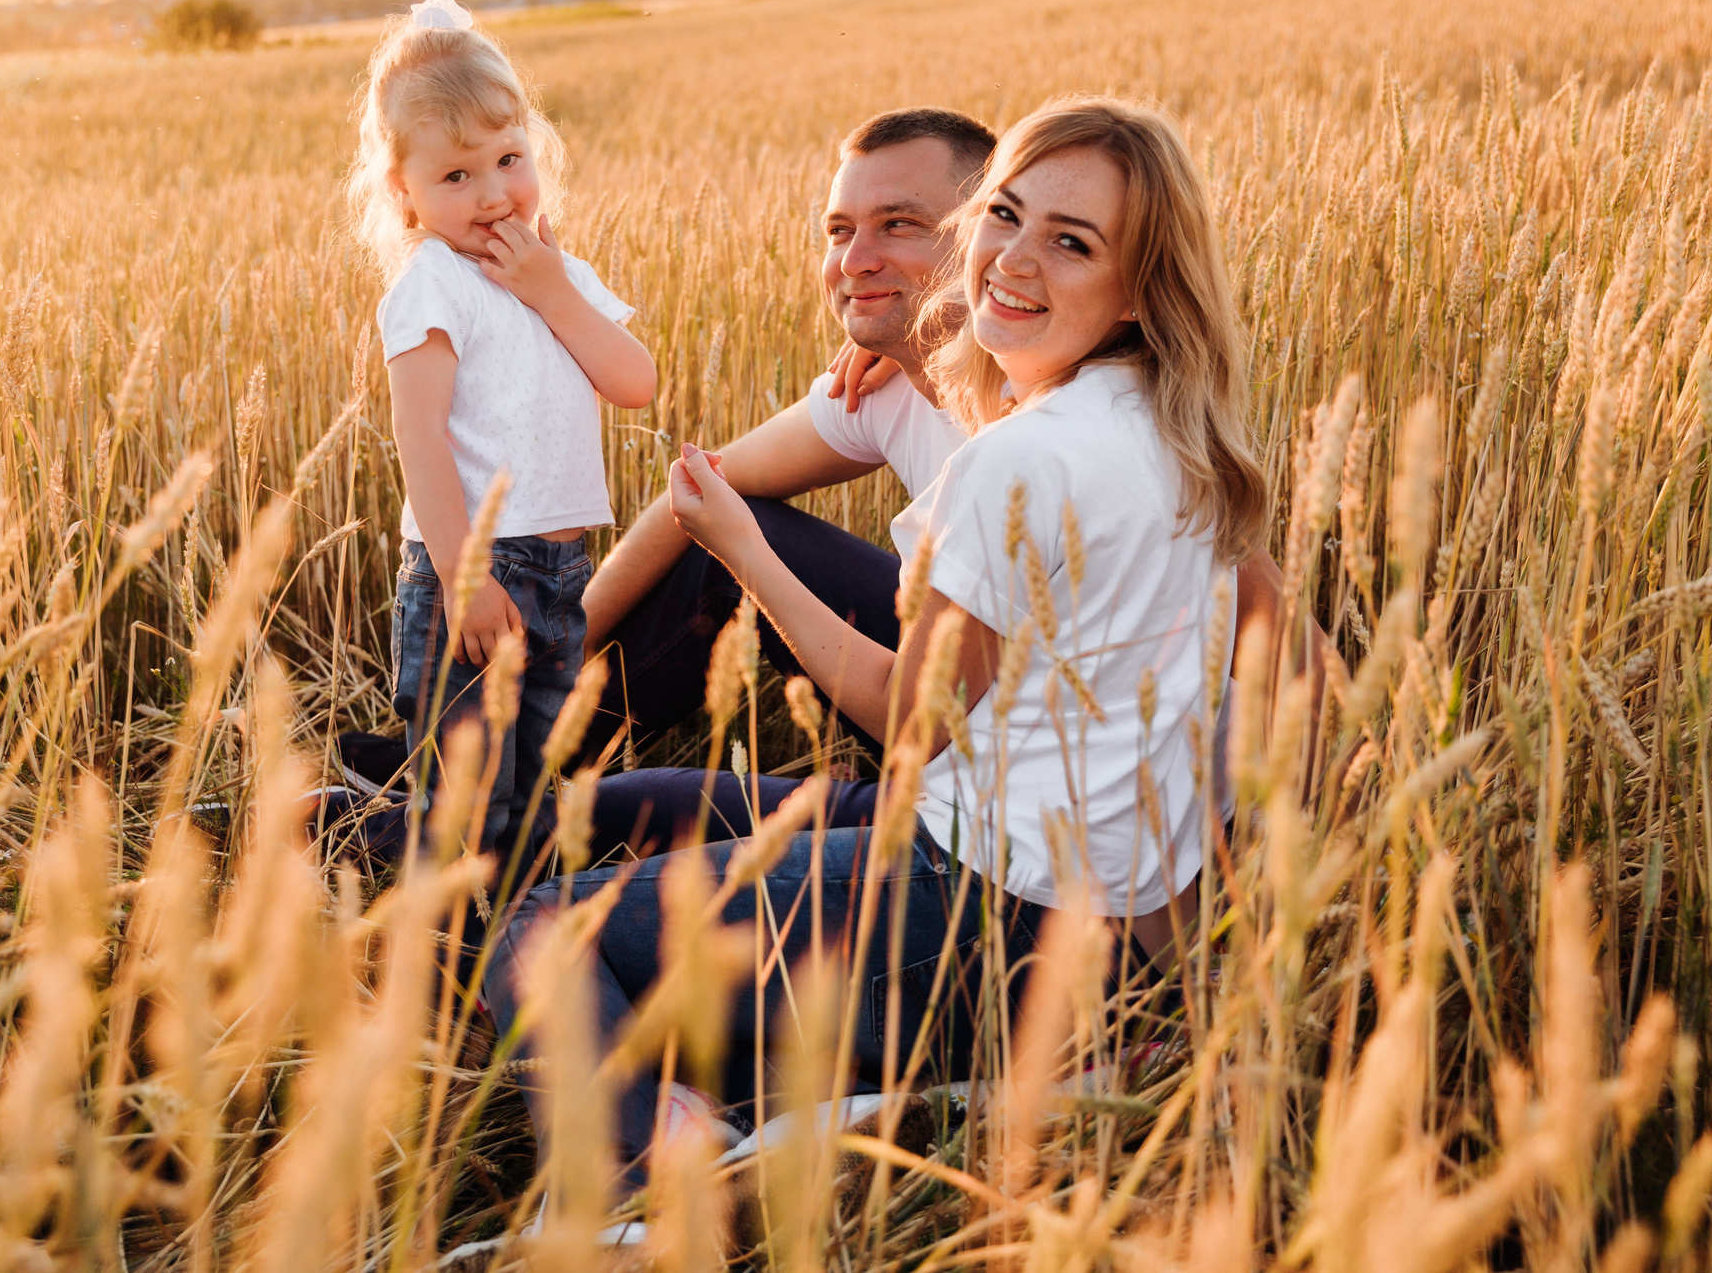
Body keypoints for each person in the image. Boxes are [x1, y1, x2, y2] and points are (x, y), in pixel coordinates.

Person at [485, 96, 1273, 1201]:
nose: (1013, 257)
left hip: (985, 910)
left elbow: (910, 717)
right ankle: (818, 1091)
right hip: (1046, 878)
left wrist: (747, 555)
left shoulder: (1019, 462)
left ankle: (671, 1180)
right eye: (1007, 215)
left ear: (1139, 286)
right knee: (617, 809)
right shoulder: (1173, 428)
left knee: (545, 938)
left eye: (1071, 241)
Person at [576, 107, 995, 749]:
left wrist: (746, 551)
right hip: (946, 695)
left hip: (1016, 778)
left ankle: (476, 805)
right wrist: (554, 659)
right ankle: (496, 764)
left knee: (643, 826)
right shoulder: (881, 383)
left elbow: (923, 727)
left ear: (988, 237)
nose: (856, 260)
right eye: (839, 230)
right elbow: (698, 489)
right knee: (728, 530)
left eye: (899, 224)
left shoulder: (1039, 418)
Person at [348, 0, 656, 861]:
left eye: (508, 159)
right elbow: (420, 437)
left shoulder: (555, 273)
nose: (491, 195)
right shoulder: (432, 285)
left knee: (525, 803)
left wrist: (552, 291)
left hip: (560, 575)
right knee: (469, 808)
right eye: (456, 176)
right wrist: (464, 573)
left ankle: (476, 914)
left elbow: (635, 381)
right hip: (478, 573)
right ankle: (443, 955)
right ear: (404, 195)